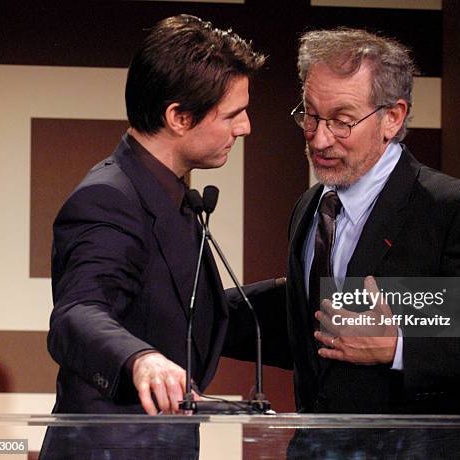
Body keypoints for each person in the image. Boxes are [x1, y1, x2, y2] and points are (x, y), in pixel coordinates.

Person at [281, 28, 460, 455]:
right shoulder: (310, 207)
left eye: (342, 120)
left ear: (393, 117)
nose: (319, 137)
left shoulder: (453, 209)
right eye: (310, 115)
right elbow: (304, 320)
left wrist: (400, 345)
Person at [41, 14, 274, 458]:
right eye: (233, 115)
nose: (245, 128)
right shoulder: (108, 199)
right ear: (179, 117)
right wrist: (140, 359)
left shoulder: (168, 192)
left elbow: (178, 310)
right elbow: (77, 312)